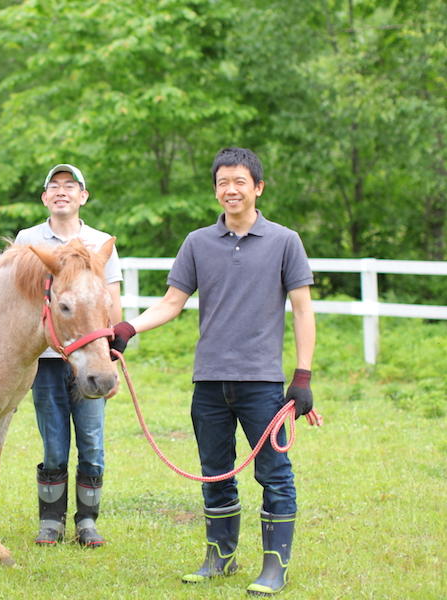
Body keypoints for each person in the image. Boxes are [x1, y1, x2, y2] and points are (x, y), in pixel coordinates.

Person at [110, 147, 316, 595]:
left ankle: (274, 566)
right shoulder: (197, 243)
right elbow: (170, 302)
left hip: (262, 384)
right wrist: (129, 326)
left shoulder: (285, 241)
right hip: (209, 383)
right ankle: (219, 558)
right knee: (215, 471)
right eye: (223, 182)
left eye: (239, 181)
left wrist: (302, 377)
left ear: (257, 187)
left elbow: (303, 311)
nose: (230, 189)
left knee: (275, 474)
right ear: (215, 190)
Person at [14, 164, 123, 548]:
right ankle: (51, 521)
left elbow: (112, 303)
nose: (62, 192)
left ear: (83, 196)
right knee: (54, 440)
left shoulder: (100, 242)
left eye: (70, 186)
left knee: (92, 439)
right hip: (45, 360)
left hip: (92, 358)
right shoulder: (29, 240)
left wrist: (111, 358)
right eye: (54, 187)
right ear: (45, 198)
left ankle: (88, 520)